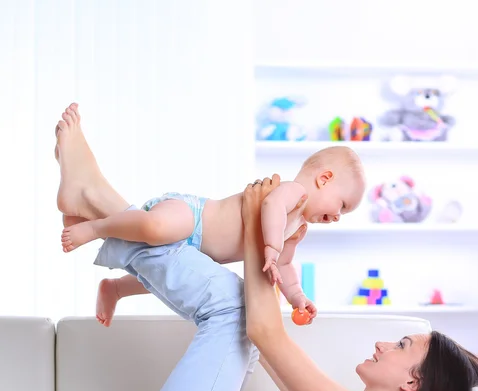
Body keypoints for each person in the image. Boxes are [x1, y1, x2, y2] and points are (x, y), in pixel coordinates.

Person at [55, 104, 478, 391]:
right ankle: (96, 198)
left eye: (400, 345)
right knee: (238, 314)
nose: (382, 344)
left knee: (235, 311)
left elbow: (263, 330)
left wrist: (259, 225)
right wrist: (286, 291)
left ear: (412, 382)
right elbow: (270, 341)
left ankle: (97, 201)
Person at [58, 103, 365, 319]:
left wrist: (297, 298)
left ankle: (115, 289)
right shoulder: (293, 194)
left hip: (199, 252)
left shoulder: (297, 227)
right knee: (154, 229)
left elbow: (284, 268)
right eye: (342, 205)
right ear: (324, 179)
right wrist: (271, 248)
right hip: (194, 218)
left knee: (159, 279)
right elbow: (270, 206)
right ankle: (95, 227)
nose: (338, 216)